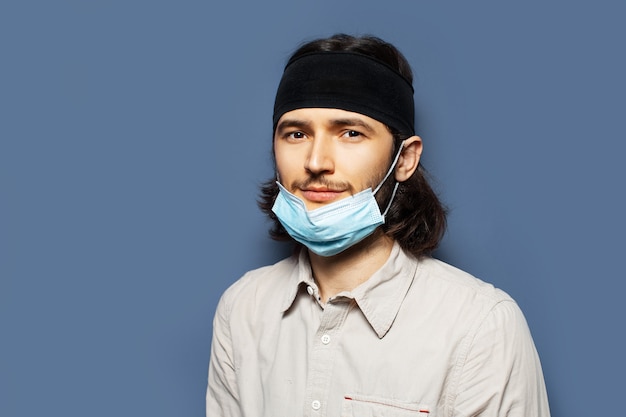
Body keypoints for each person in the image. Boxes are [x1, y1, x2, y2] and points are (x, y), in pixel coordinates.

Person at [206, 33, 550, 417]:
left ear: (404, 159)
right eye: (297, 134)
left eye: (351, 133)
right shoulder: (242, 308)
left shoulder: (481, 326)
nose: (317, 161)